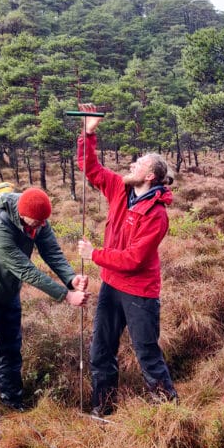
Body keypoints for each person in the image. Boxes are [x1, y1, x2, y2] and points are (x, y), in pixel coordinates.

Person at [76, 102, 178, 417]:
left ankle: (170, 415)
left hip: (139, 291)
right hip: (111, 285)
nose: (132, 165)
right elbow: (89, 167)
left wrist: (93, 255)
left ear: (150, 175)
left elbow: (134, 259)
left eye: (138, 163)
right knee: (100, 349)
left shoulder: (156, 215)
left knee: (147, 353)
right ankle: (102, 410)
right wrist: (88, 133)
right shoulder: (121, 189)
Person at [0, 187, 89, 424]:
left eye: (42, 223)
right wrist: (66, 295)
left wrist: (71, 278)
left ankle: (12, 400)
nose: (39, 227)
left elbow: (52, 252)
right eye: (35, 223)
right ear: (21, 214)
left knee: (10, 349)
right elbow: (25, 270)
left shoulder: (38, 219)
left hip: (8, 295)